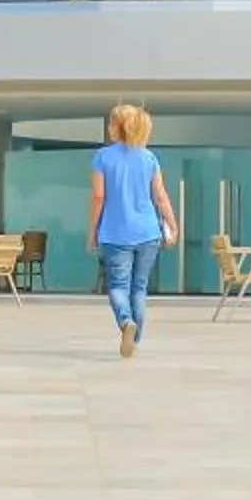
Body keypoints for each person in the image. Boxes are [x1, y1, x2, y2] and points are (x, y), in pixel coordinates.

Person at [89, 102, 177, 357]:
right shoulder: (149, 157)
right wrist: (172, 223)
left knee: (118, 285)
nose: (108, 127)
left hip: (115, 233)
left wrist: (93, 230)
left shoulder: (103, 157)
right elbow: (160, 196)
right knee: (139, 287)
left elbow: (98, 197)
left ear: (118, 127)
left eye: (110, 123)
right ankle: (134, 340)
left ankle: (126, 322)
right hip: (148, 232)